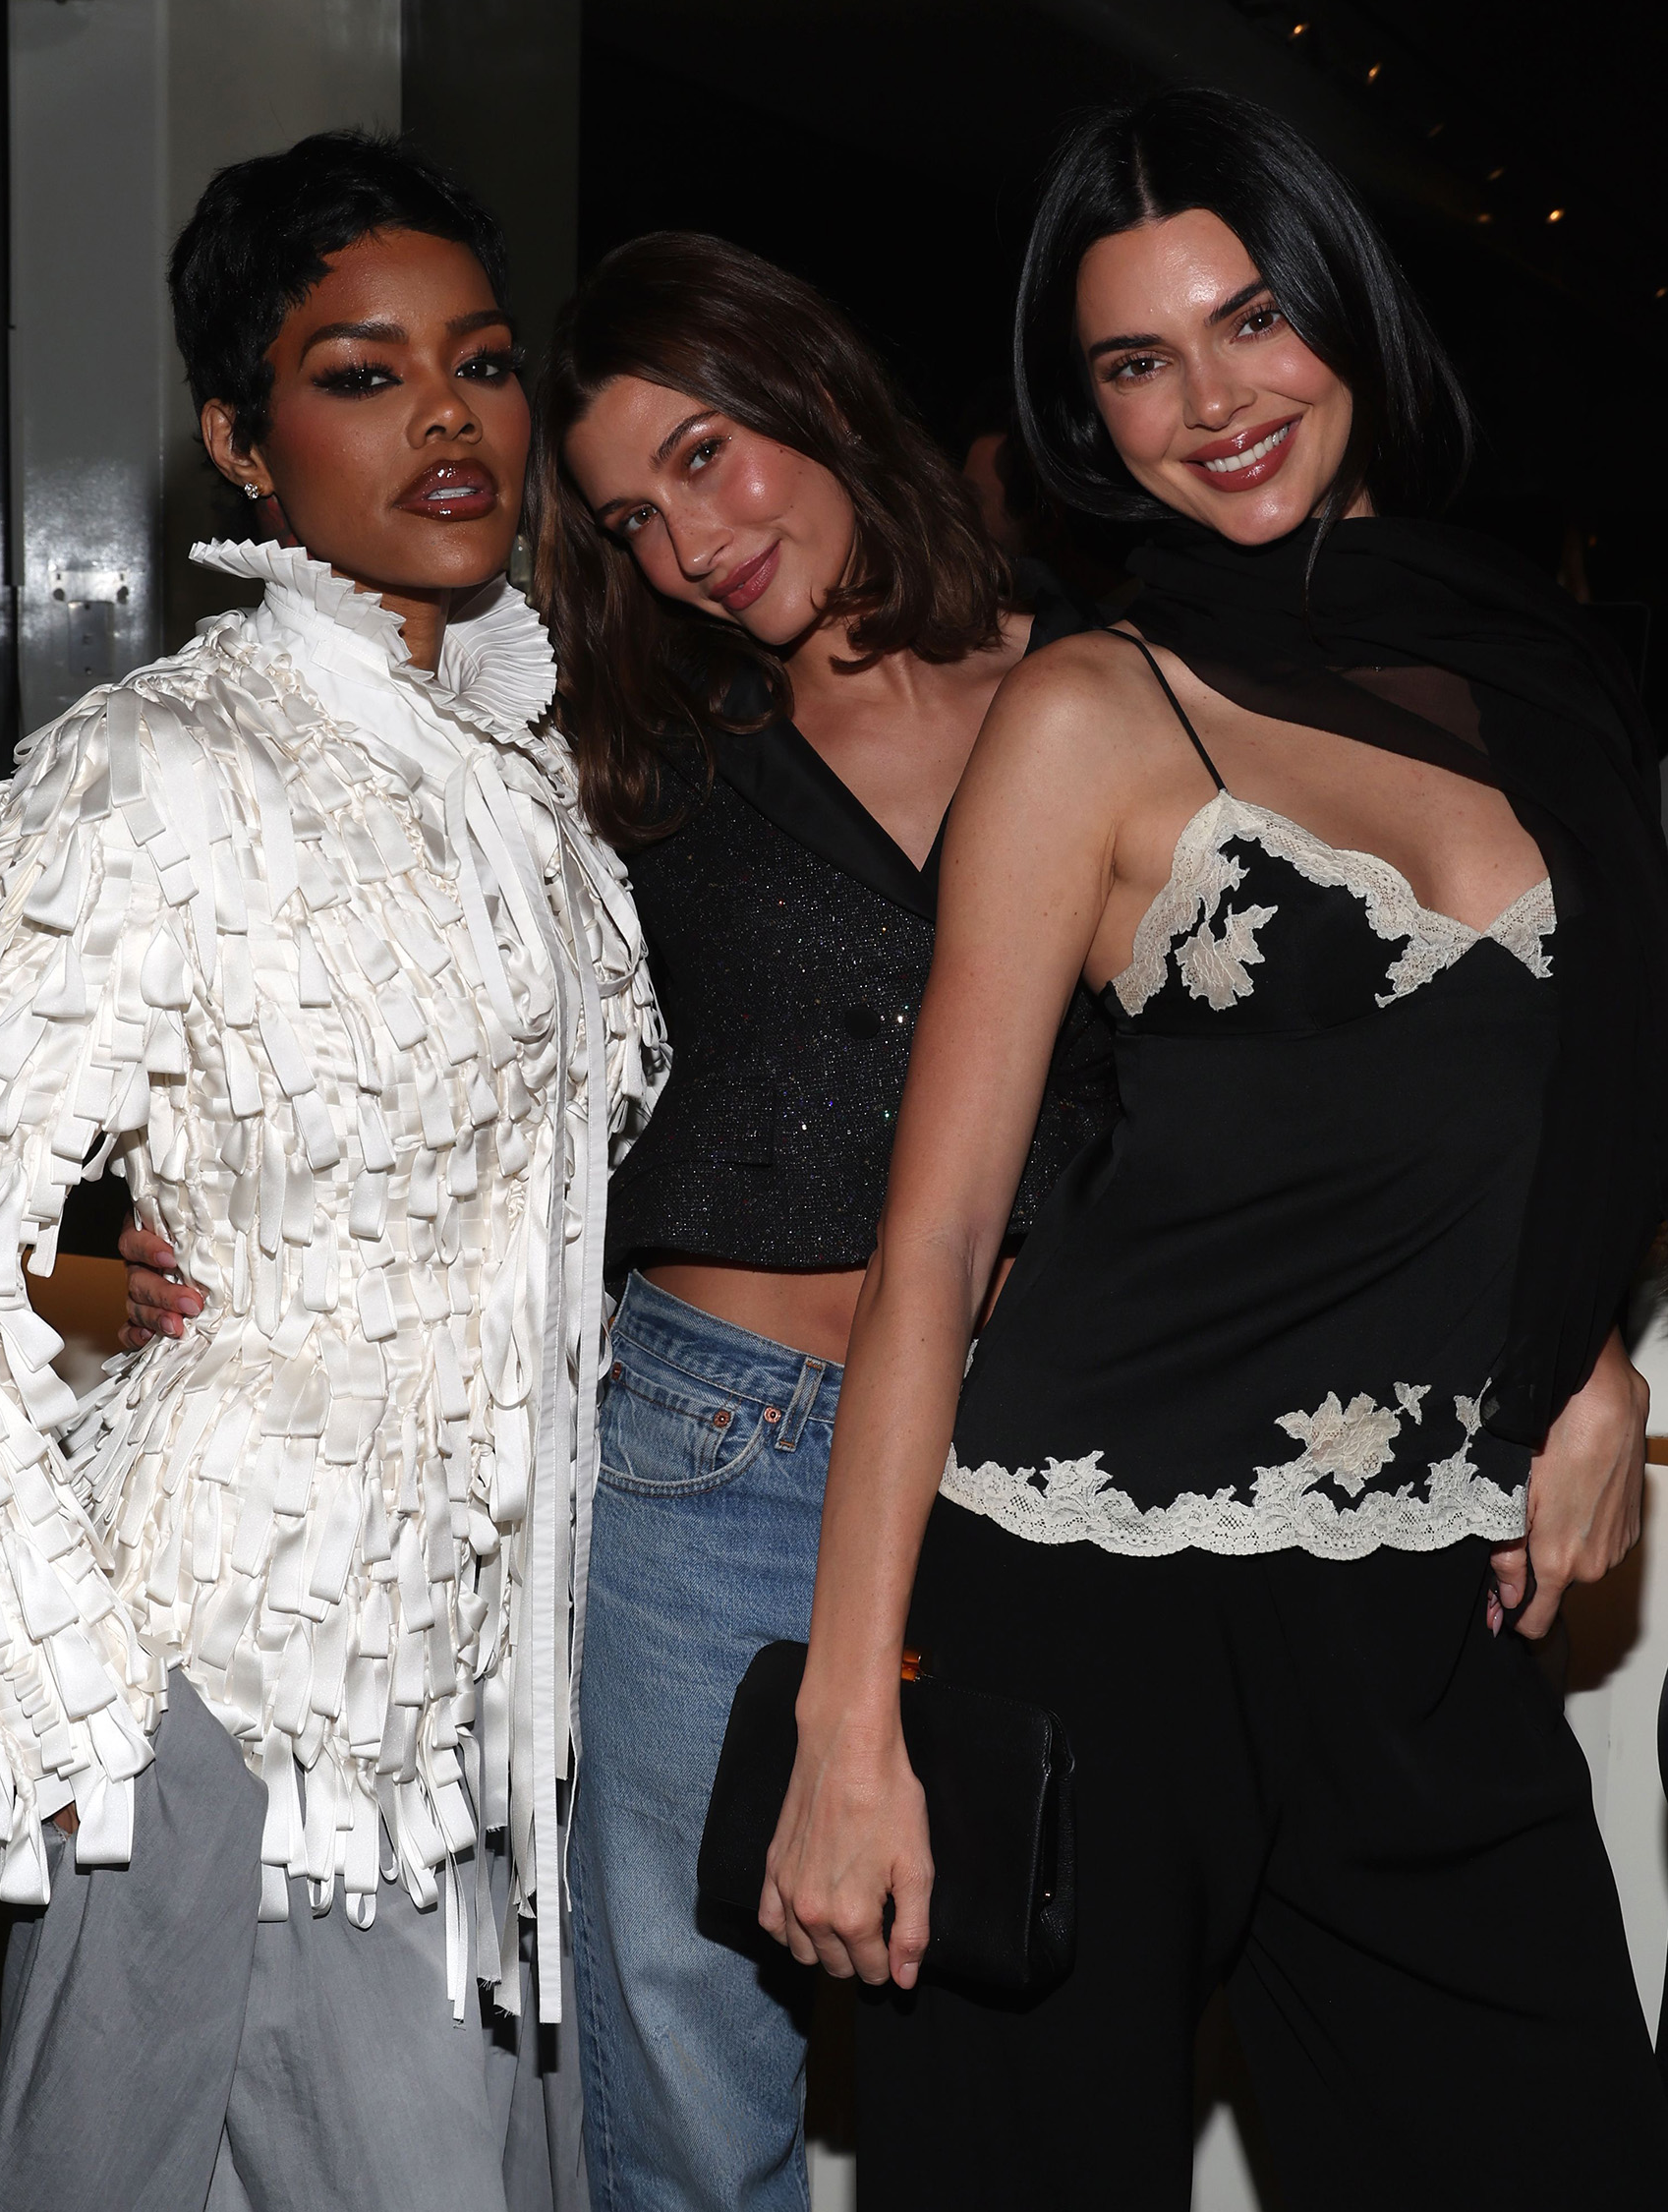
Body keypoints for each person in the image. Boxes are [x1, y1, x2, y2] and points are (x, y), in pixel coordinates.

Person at [761, 88, 1668, 2204]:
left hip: (1422, 1623)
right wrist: (849, 1723)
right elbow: (936, 1247)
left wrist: (1580, 1352)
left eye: (1251, 317)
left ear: (1348, 313)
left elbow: (1549, 1108)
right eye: (1136, 361)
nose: (1211, 401)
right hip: (1084, 1605)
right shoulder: (1090, 712)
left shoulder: (1525, 672)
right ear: (1084, 418)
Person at [117, 227, 1131, 2212]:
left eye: (706, 456)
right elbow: (317, 955)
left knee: (1012, 2025)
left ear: (809, 391)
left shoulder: (1104, 688)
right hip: (709, 1453)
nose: (690, 545)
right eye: (631, 518)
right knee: (680, 2051)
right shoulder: (619, 744)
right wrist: (150, 1211)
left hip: (1037, 1453)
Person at [0, 133, 660, 2212]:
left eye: (481, 362)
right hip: (248, 1702)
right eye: (361, 374)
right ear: (239, 443)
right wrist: (83, 1725)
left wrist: (103, 1264)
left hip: (470, 1705)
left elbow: (228, 1184)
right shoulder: (160, 767)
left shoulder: (514, 761)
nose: (445, 417)